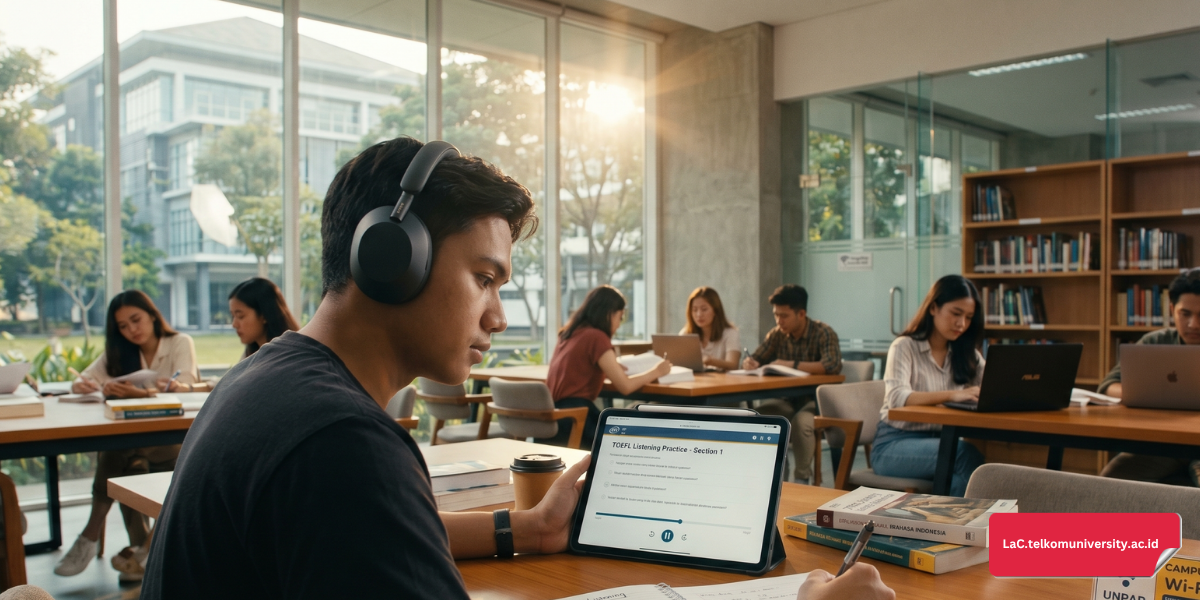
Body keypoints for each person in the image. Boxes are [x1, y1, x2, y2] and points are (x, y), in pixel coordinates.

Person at [139, 138, 892, 600]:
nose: (498, 318)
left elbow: (383, 530)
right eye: (486, 279)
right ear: (393, 260)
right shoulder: (341, 443)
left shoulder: (274, 379)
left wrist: (520, 531)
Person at [55, 290, 202, 581]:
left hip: (171, 444)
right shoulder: (118, 352)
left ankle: (91, 532)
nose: (132, 329)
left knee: (117, 453)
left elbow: (186, 389)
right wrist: (82, 386)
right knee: (129, 457)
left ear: (151, 315)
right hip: (137, 444)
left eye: (136, 320)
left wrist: (143, 393)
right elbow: (81, 380)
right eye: (123, 326)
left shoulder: (179, 343)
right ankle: (142, 550)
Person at [873, 275, 986, 497]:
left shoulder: (966, 353)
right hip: (893, 446)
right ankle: (956, 529)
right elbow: (897, 397)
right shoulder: (904, 346)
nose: (961, 324)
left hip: (942, 442)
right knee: (964, 456)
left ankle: (947, 528)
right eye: (956, 313)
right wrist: (953, 395)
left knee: (969, 473)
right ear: (934, 307)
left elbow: (992, 387)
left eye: (968, 317)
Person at [1098, 268, 1200, 487]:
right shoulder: (1155, 342)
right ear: (1172, 310)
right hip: (1164, 444)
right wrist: (1142, 393)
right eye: (1186, 314)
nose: (1194, 324)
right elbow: (1108, 386)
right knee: (1109, 482)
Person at [545, 285, 672, 447]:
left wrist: (611, 367)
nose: (619, 324)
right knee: (648, 416)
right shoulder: (596, 337)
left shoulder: (569, 333)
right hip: (577, 419)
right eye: (620, 317)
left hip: (555, 419)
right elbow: (625, 387)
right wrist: (657, 371)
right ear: (609, 313)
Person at [743, 284, 842, 483]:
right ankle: (777, 472)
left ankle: (801, 479)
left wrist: (791, 365)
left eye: (784, 315)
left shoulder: (823, 332)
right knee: (761, 418)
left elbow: (832, 365)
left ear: (801, 313)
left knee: (801, 424)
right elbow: (756, 357)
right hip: (786, 400)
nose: (779, 321)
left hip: (816, 402)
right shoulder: (777, 334)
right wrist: (749, 362)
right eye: (776, 315)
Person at [228, 277, 300, 358]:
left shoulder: (290, 356)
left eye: (240, 316)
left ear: (264, 315)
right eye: (233, 316)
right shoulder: (250, 354)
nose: (234, 324)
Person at [680, 286, 740, 371]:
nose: (699, 314)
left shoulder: (730, 333)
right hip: (693, 382)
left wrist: (712, 361)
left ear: (715, 310)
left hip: (722, 382)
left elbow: (733, 365)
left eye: (704, 309)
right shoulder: (686, 333)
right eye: (694, 310)